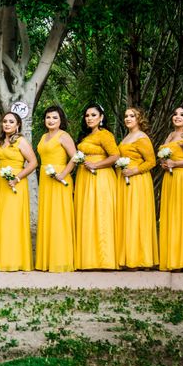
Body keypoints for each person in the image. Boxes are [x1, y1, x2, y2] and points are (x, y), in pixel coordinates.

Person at [74, 103, 120, 270]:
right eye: (87, 116)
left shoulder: (105, 135)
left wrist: (96, 165)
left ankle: (103, 259)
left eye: (93, 115)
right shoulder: (85, 137)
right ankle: (88, 258)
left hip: (100, 177)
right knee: (87, 215)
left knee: (100, 214)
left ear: (101, 117)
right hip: (84, 178)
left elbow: (115, 156)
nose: (89, 118)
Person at [0, 112, 37, 271]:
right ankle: (2, 259)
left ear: (17, 125)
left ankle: (15, 260)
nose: (7, 124)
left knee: (13, 220)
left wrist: (17, 178)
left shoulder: (21, 141)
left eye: (11, 121)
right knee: (2, 220)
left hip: (16, 184)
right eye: (4, 121)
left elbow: (33, 163)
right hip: (2, 185)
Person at [115, 107, 158, 270]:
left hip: (138, 180)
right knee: (127, 216)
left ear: (139, 119)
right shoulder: (127, 137)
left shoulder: (141, 137)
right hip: (124, 180)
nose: (128, 119)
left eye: (132, 116)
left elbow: (151, 161)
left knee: (137, 216)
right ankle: (129, 257)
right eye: (126, 116)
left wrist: (134, 170)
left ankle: (141, 259)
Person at [35, 106, 76, 272]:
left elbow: (75, 157)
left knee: (60, 217)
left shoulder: (64, 136)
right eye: (48, 117)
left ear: (61, 121)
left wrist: (63, 174)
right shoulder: (44, 136)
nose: (50, 120)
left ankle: (61, 260)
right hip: (46, 179)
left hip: (60, 179)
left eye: (54, 118)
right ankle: (46, 259)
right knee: (48, 216)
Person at [159, 106, 183, 271]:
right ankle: (174, 258)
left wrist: (175, 163)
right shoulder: (170, 135)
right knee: (172, 216)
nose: (177, 117)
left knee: (182, 216)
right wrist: (165, 163)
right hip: (169, 179)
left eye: (182, 115)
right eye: (175, 114)